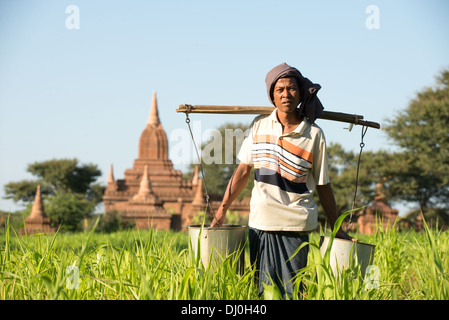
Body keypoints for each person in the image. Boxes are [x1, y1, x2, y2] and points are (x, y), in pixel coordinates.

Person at [210, 62, 352, 298]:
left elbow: (323, 185)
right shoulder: (259, 125)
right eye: (280, 90)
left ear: (300, 93)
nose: (286, 94)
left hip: (295, 224)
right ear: (272, 96)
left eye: (291, 88)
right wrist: (221, 210)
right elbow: (243, 170)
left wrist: (337, 228)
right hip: (261, 223)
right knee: (261, 292)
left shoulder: (314, 134)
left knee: (292, 291)